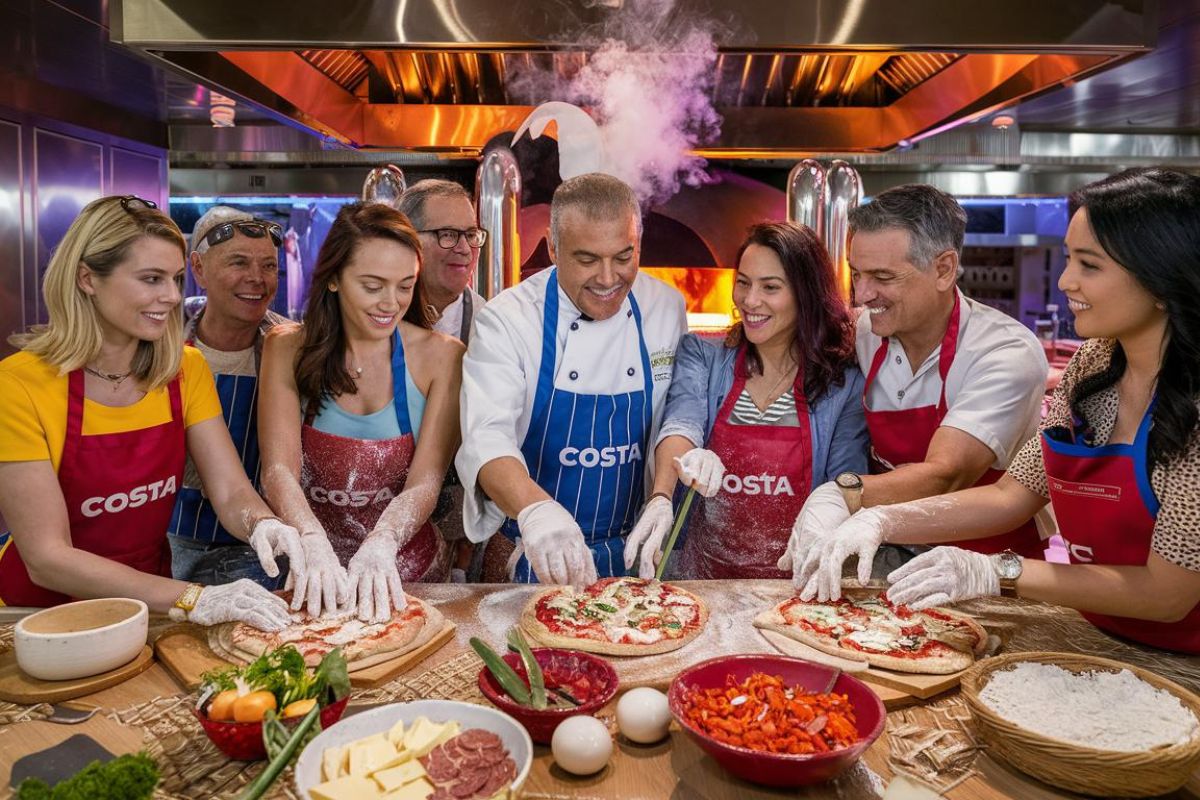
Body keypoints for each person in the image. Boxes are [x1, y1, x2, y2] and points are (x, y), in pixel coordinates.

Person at [819, 168, 1200, 653]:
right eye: (1068, 260)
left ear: (1164, 278)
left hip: (1185, 657)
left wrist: (995, 570)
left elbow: (1168, 594)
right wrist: (875, 520)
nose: (1065, 281)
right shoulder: (1094, 365)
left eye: (1090, 265)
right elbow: (1011, 496)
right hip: (1092, 633)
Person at [0, 195, 300, 631]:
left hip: (148, 608)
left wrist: (264, 526)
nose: (172, 296)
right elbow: (48, 559)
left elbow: (232, 493)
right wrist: (195, 596)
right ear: (87, 278)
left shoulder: (183, 368)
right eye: (151, 279)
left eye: (176, 279)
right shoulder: (20, 385)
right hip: (36, 617)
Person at [780, 183, 1049, 594]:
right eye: (856, 274)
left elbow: (947, 475)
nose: (862, 295)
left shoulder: (1003, 352)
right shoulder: (864, 333)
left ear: (943, 269)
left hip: (985, 572)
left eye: (883, 277)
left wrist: (842, 495)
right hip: (890, 553)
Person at [457, 173, 687, 586]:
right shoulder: (508, 319)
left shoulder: (666, 307)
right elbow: (486, 438)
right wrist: (536, 511)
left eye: (623, 257)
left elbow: (678, 414)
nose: (606, 278)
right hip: (529, 555)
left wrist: (664, 496)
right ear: (553, 248)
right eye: (586, 259)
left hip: (633, 556)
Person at [623, 221, 868, 579]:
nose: (750, 301)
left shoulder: (841, 382)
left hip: (795, 587)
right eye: (743, 282)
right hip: (702, 584)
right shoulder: (704, 354)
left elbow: (846, 479)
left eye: (770, 287)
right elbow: (681, 423)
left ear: (806, 293)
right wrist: (662, 495)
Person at [259, 202, 463, 622]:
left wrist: (384, 540)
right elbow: (278, 470)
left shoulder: (441, 357)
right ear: (333, 279)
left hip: (408, 574)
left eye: (405, 286)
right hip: (311, 575)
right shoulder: (286, 348)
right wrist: (312, 540)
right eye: (373, 286)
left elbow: (426, 479)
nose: (391, 303)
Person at [168, 207, 290, 588]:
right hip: (170, 541)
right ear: (199, 268)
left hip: (261, 548)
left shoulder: (294, 350)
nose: (256, 278)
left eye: (269, 266)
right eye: (238, 262)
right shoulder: (163, 350)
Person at [398, 180, 486, 344]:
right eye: (448, 234)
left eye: (471, 234)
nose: (465, 249)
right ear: (409, 239)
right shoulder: (380, 314)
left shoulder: (492, 326)